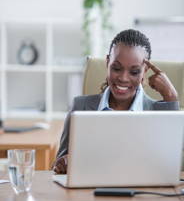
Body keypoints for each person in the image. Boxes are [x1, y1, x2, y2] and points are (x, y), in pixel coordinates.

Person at [53, 29, 179, 174]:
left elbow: (169, 166)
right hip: (90, 193)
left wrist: (171, 97)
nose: (123, 78)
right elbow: (57, 166)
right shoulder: (81, 106)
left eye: (134, 72)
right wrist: (63, 163)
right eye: (117, 68)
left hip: (143, 194)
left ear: (144, 72)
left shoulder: (159, 111)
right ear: (108, 63)